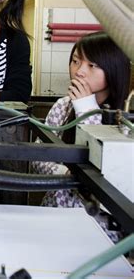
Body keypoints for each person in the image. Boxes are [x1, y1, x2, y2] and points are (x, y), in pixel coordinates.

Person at [32, 32, 130, 240]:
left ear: (114, 69)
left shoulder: (126, 120)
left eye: (92, 65)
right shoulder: (63, 106)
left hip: (100, 233)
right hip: (54, 216)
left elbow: (111, 176)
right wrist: (66, 172)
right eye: (76, 61)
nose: (80, 71)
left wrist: (87, 110)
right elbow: (37, 157)